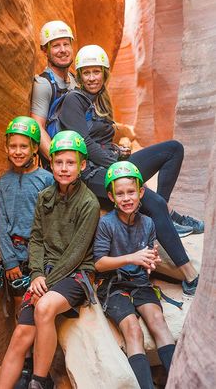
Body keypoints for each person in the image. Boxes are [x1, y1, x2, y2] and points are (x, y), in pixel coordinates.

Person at [58, 44, 202, 296]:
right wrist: (117, 166)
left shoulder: (100, 100)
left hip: (110, 164)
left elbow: (101, 139)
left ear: (104, 74)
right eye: (87, 73)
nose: (92, 77)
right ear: (79, 76)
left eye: (96, 72)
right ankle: (190, 275)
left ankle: (160, 217)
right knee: (151, 200)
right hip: (91, 174)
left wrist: (117, 152)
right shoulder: (74, 100)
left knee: (173, 149)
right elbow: (85, 143)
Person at [0, 131, 100, 389]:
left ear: (82, 165)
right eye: (59, 162)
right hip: (46, 274)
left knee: (43, 307)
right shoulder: (45, 198)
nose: (64, 168)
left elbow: (76, 253)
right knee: (20, 334)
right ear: (50, 163)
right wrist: (36, 274)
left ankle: (39, 382)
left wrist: (42, 283)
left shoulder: (89, 203)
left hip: (75, 274)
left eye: (71, 163)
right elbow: (37, 239)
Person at [94, 161, 176, 389]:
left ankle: (179, 381)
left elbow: (147, 254)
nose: (126, 198)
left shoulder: (148, 223)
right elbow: (99, 263)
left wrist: (150, 261)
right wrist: (133, 257)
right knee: (133, 329)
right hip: (114, 285)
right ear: (111, 197)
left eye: (131, 192)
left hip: (140, 282)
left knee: (158, 321)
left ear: (141, 193)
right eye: (120, 194)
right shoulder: (106, 224)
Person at [0, 116, 54, 387]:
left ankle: (42, 367)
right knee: (21, 308)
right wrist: (9, 260)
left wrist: (41, 259)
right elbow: (0, 223)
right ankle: (26, 365)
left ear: (33, 149)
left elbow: (51, 222)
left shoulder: (47, 180)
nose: (18, 151)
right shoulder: (2, 184)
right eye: (13, 146)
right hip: (16, 255)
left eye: (24, 146)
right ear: (7, 148)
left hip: (41, 256)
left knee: (40, 309)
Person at [30, 20, 77, 160]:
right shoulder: (44, 84)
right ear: (45, 50)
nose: (63, 50)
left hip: (78, 153)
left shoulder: (75, 80)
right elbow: (38, 127)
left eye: (66, 44)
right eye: (56, 46)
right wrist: (58, 161)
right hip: (60, 160)